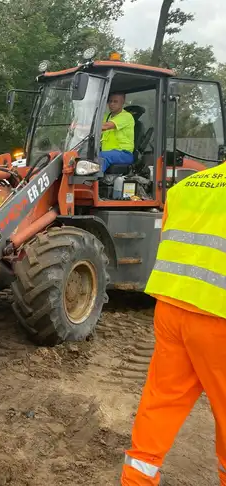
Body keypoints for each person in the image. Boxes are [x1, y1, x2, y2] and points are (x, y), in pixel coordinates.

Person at [121, 161, 226, 485]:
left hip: (171, 308)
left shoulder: (187, 187)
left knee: (162, 402)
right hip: (218, 317)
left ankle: (137, 479)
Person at [100, 92, 135, 172]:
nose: (112, 104)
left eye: (115, 101)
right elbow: (95, 125)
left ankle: (92, 182)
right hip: (109, 154)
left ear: (122, 103)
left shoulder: (126, 116)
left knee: (100, 157)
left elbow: (105, 126)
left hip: (124, 154)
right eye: (110, 101)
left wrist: (82, 128)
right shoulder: (107, 116)